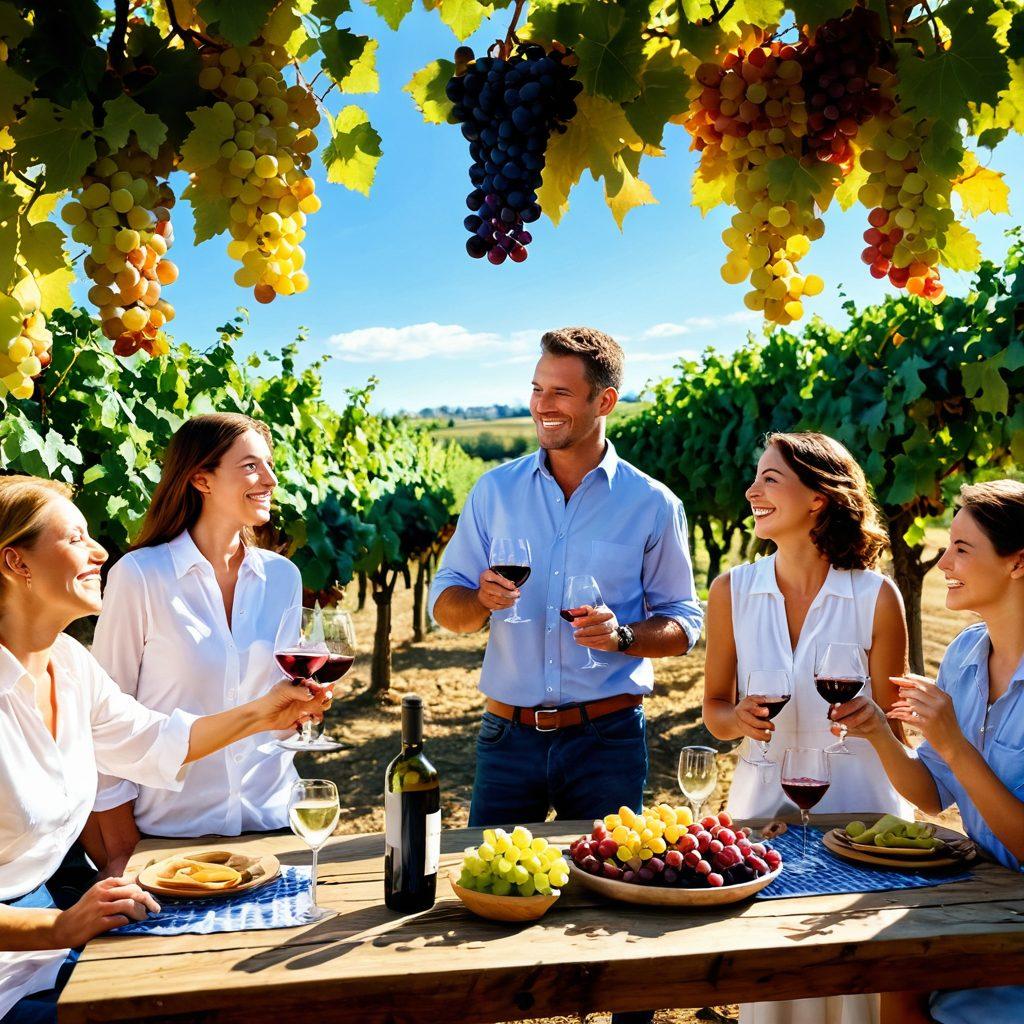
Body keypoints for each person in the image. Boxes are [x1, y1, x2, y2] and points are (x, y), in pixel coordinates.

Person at [0, 476, 329, 1022]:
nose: (100, 550)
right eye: (76, 538)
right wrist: (60, 926)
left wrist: (263, 713)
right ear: (17, 563)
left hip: (55, 937)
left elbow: (156, 740)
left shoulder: (71, 665)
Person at [703, 431, 911, 1024]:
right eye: (756, 475)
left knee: (853, 987)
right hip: (764, 809)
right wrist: (735, 718)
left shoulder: (875, 596)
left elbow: (895, 731)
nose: (752, 490)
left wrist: (871, 723)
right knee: (777, 985)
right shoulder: (731, 591)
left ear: (820, 498)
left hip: (862, 814)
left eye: (771, 478)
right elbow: (715, 710)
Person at [832, 479, 1024, 1024]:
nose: (943, 563)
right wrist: (878, 733)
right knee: (889, 979)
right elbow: (932, 793)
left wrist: (956, 746)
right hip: (983, 901)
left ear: (1018, 563)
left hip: (1010, 931)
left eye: (962, 549)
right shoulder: (965, 654)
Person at [87, 413, 305, 876]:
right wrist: (121, 848)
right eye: (250, 466)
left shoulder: (283, 577)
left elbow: (284, 710)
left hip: (273, 829)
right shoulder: (140, 576)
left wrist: (303, 710)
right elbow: (103, 725)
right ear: (201, 479)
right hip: (170, 841)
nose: (270, 479)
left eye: (269, 464)